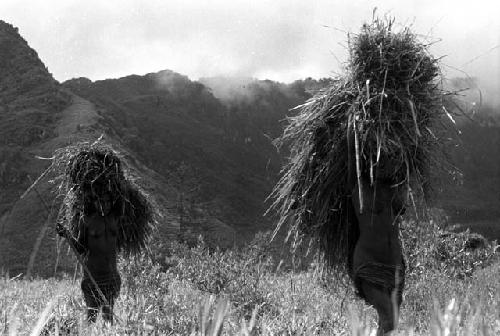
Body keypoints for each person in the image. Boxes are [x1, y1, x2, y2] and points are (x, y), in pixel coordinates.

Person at [56, 192, 121, 323]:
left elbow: (123, 198)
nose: (105, 205)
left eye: (108, 202)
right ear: (95, 202)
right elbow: (80, 248)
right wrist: (67, 234)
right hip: (93, 279)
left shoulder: (115, 218)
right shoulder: (86, 221)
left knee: (109, 317)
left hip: (112, 278)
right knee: (92, 317)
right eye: (102, 202)